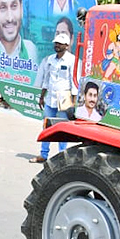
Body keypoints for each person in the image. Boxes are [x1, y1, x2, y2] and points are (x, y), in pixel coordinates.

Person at [32, 31, 77, 162]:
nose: (57, 45)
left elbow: (74, 81)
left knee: (63, 128)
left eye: (60, 44)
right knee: (47, 126)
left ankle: (62, 157)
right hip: (50, 97)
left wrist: (73, 102)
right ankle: (43, 154)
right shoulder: (50, 59)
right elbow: (46, 79)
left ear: (67, 46)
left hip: (64, 98)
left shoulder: (71, 60)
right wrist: (42, 96)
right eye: (56, 43)